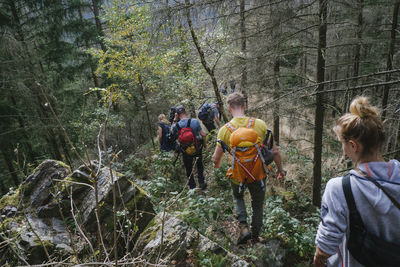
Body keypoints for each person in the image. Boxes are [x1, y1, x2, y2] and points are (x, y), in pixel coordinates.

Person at [313, 96, 400, 267]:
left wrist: (318, 259)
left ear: (353, 146)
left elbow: (325, 247)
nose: (343, 149)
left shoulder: (339, 188)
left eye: (342, 143)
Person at [212, 92, 285, 244]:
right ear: (245, 106)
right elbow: (275, 151)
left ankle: (244, 227)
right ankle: (255, 236)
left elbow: (215, 158)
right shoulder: (259, 124)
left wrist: (217, 165)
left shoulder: (224, 130)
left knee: (238, 197)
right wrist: (280, 170)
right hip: (258, 173)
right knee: (257, 204)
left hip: (237, 174)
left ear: (229, 108)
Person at [172, 105, 208, 190]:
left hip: (185, 151)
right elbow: (203, 134)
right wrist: (205, 145)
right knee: (199, 165)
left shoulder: (176, 126)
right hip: (197, 148)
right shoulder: (194, 121)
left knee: (188, 168)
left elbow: (171, 133)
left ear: (177, 114)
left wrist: (174, 119)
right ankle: (202, 183)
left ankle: (192, 187)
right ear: (185, 112)